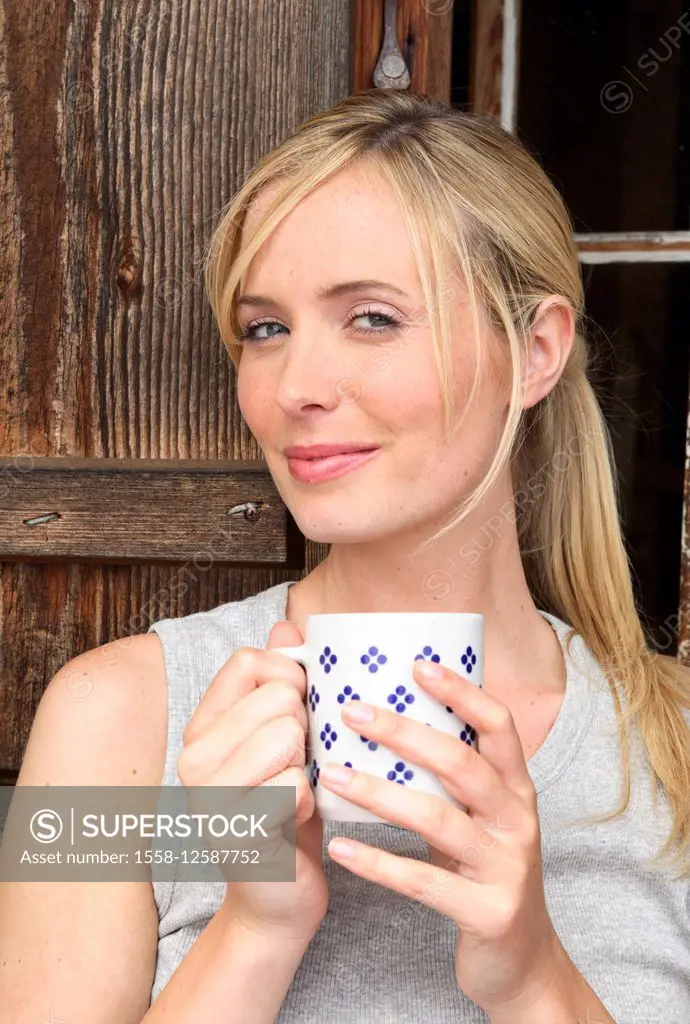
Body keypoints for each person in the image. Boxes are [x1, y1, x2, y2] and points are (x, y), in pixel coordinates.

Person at [1, 89, 688, 1024]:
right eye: (265, 328)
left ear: (535, 352)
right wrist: (254, 930)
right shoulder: (104, 722)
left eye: (372, 318)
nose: (297, 387)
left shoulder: (672, 747)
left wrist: (533, 978)